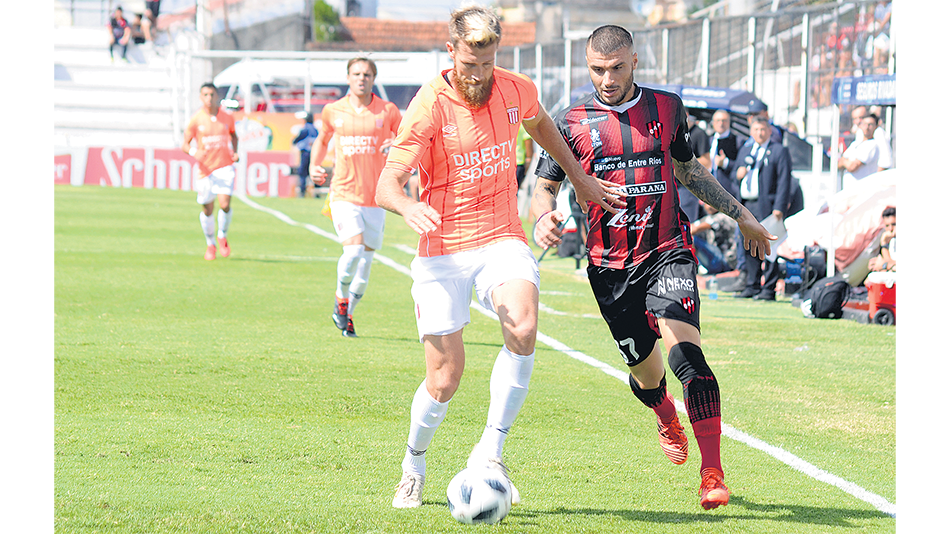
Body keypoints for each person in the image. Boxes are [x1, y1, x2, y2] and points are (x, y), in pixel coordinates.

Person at [376, 6, 622, 510]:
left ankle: (491, 452)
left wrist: (578, 178)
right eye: (470, 65)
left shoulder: (515, 88)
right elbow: (387, 182)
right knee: (444, 380)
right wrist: (407, 206)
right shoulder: (429, 104)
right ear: (452, 53)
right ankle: (413, 463)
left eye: (487, 64)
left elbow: (542, 127)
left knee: (524, 329)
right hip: (442, 248)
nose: (479, 75)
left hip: (500, 236)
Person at [531, 24, 774, 511]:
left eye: (617, 67)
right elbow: (545, 185)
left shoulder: (667, 107)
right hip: (609, 267)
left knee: (688, 358)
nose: (607, 78)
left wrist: (742, 213)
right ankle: (664, 413)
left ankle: (712, 473)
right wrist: (543, 218)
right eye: (598, 69)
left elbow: (689, 171)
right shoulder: (570, 120)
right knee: (647, 377)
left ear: (635, 61)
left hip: (668, 250)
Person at [309, 57, 402, 338]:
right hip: (343, 193)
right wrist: (315, 165)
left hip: (376, 198)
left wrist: (394, 144)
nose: (361, 78)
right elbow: (322, 139)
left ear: (374, 78)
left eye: (367, 74)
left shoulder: (387, 110)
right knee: (353, 249)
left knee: (366, 263)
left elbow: (408, 138)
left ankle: (347, 314)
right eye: (356, 73)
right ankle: (340, 296)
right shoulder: (333, 110)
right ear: (348, 77)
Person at [733, 117, 792, 301]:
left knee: (770, 246)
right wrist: (739, 174)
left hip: (768, 206)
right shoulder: (745, 150)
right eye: (756, 129)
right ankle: (752, 284)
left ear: (769, 131)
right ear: (751, 131)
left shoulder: (778, 151)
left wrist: (779, 208)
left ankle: (769, 288)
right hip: (747, 205)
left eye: (763, 129)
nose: (759, 133)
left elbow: (784, 181)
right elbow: (736, 176)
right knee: (750, 245)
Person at [181, 83, 239, 261]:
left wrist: (235, 152)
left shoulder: (227, 117)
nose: (209, 98)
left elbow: (233, 135)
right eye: (205, 95)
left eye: (212, 94)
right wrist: (194, 152)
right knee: (207, 209)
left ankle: (222, 235)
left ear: (217, 96)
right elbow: (184, 144)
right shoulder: (196, 119)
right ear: (200, 97)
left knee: (225, 204)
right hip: (205, 170)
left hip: (224, 166)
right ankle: (210, 243)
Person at [839, 113, 885, 189]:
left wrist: (845, 161)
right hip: (848, 191)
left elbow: (852, 167)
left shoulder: (872, 145)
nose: (867, 127)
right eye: (864, 124)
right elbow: (839, 164)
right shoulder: (855, 144)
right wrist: (846, 162)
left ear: (876, 127)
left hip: (862, 192)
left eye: (870, 125)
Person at [678, 115, 710, 222]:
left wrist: (683, 164)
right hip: (671, 185)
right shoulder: (672, 133)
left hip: (687, 187)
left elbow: (706, 161)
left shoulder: (698, 133)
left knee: (688, 224)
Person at [690, 203, 737, 275]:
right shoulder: (707, 218)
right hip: (716, 259)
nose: (709, 206)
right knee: (689, 237)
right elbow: (692, 226)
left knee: (693, 239)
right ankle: (697, 267)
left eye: (711, 203)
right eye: (706, 203)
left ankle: (695, 267)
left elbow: (695, 229)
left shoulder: (722, 216)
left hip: (726, 260)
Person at [707, 109, 744, 200]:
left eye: (724, 120)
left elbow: (740, 166)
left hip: (728, 191)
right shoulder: (709, 140)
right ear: (713, 123)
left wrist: (725, 163)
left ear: (729, 122)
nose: (721, 123)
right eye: (718, 120)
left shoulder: (737, 141)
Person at [292, 112, 319, 198]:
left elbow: (298, 138)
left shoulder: (305, 129)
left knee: (303, 172)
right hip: (314, 153)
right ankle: (317, 191)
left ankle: (302, 191)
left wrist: (294, 141)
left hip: (305, 153)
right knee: (314, 172)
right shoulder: (315, 130)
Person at [868, 206, 896, 272]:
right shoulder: (891, 241)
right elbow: (890, 264)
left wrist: (884, 265)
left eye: (894, 224)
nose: (890, 229)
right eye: (887, 225)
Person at [515, 123, 534, 191]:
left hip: (508, 164)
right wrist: (525, 172)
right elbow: (529, 151)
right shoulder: (522, 125)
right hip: (519, 164)